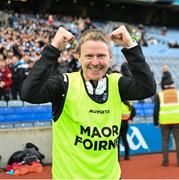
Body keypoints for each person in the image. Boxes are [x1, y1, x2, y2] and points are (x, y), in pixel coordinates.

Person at [21, 25, 156, 179]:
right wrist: (54, 48)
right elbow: (29, 93)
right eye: (89, 56)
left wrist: (130, 46)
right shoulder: (64, 84)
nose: (95, 62)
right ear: (78, 57)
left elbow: (148, 89)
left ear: (110, 57)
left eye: (101, 55)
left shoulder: (117, 83)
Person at [153, 73, 179, 167]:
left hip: (164, 121)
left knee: (165, 141)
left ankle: (165, 161)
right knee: (178, 141)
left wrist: (155, 122)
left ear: (164, 86)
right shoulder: (177, 93)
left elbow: (156, 109)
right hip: (177, 120)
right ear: (173, 85)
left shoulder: (160, 95)